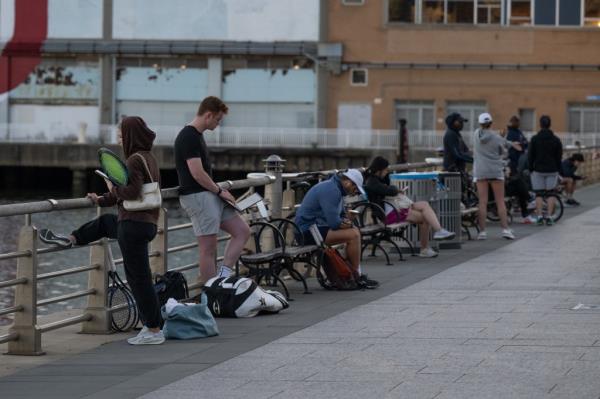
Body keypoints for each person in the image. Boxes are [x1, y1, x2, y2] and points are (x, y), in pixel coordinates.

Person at [38, 117, 165, 345]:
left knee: (139, 280)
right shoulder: (149, 157)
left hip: (133, 225)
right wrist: (101, 199)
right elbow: (131, 191)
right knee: (106, 223)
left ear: (130, 136)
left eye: (121, 135)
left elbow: (132, 192)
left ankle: (154, 330)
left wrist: (112, 186)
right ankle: (72, 238)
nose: (119, 139)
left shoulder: (135, 160)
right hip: (147, 223)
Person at [174, 96, 251, 285]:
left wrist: (217, 193)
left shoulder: (196, 136)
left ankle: (223, 276)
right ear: (208, 115)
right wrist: (219, 191)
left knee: (242, 231)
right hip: (198, 196)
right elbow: (197, 173)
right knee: (208, 248)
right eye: (217, 120)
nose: (218, 124)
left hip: (209, 194)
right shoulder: (188, 137)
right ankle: (212, 293)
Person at [295, 169, 379, 288]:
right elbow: (334, 223)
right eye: (355, 189)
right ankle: (356, 276)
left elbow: (339, 216)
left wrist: (346, 221)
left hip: (315, 228)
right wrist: (346, 223)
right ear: (348, 182)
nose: (355, 192)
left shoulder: (335, 188)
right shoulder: (332, 190)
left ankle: (353, 275)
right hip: (307, 232)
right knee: (354, 235)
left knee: (354, 231)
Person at [363, 156, 455, 258]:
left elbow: (388, 187)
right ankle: (426, 247)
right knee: (424, 218)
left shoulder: (376, 179)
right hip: (388, 214)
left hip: (393, 208)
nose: (386, 172)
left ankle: (439, 231)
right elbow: (391, 190)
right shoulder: (372, 182)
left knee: (424, 204)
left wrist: (392, 186)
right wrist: (397, 190)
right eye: (386, 170)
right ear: (379, 170)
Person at [472, 113, 522, 240]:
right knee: (500, 201)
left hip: (481, 171)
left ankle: (482, 232)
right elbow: (502, 151)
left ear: (480, 123)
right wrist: (506, 140)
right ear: (491, 123)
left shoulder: (476, 134)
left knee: (482, 202)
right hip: (495, 171)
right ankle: (505, 229)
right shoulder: (496, 137)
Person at [528, 115, 563, 225]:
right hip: (552, 169)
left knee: (539, 194)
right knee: (551, 193)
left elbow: (530, 155)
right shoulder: (556, 140)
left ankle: (539, 217)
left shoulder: (534, 139)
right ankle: (549, 217)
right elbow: (559, 156)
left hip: (538, 169)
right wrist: (558, 168)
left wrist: (531, 168)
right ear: (550, 124)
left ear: (540, 124)